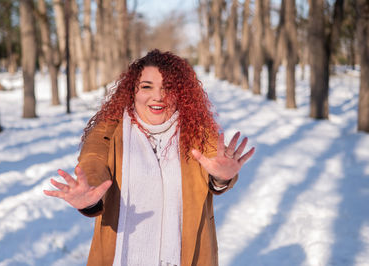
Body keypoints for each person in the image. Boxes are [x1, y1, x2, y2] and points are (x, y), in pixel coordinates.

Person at [44, 49, 255, 266]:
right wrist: (89, 197)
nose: (158, 96)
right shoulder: (107, 131)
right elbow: (93, 163)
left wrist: (222, 178)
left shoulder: (197, 132)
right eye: (147, 86)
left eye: (169, 88)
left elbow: (215, 162)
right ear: (132, 91)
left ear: (182, 93)